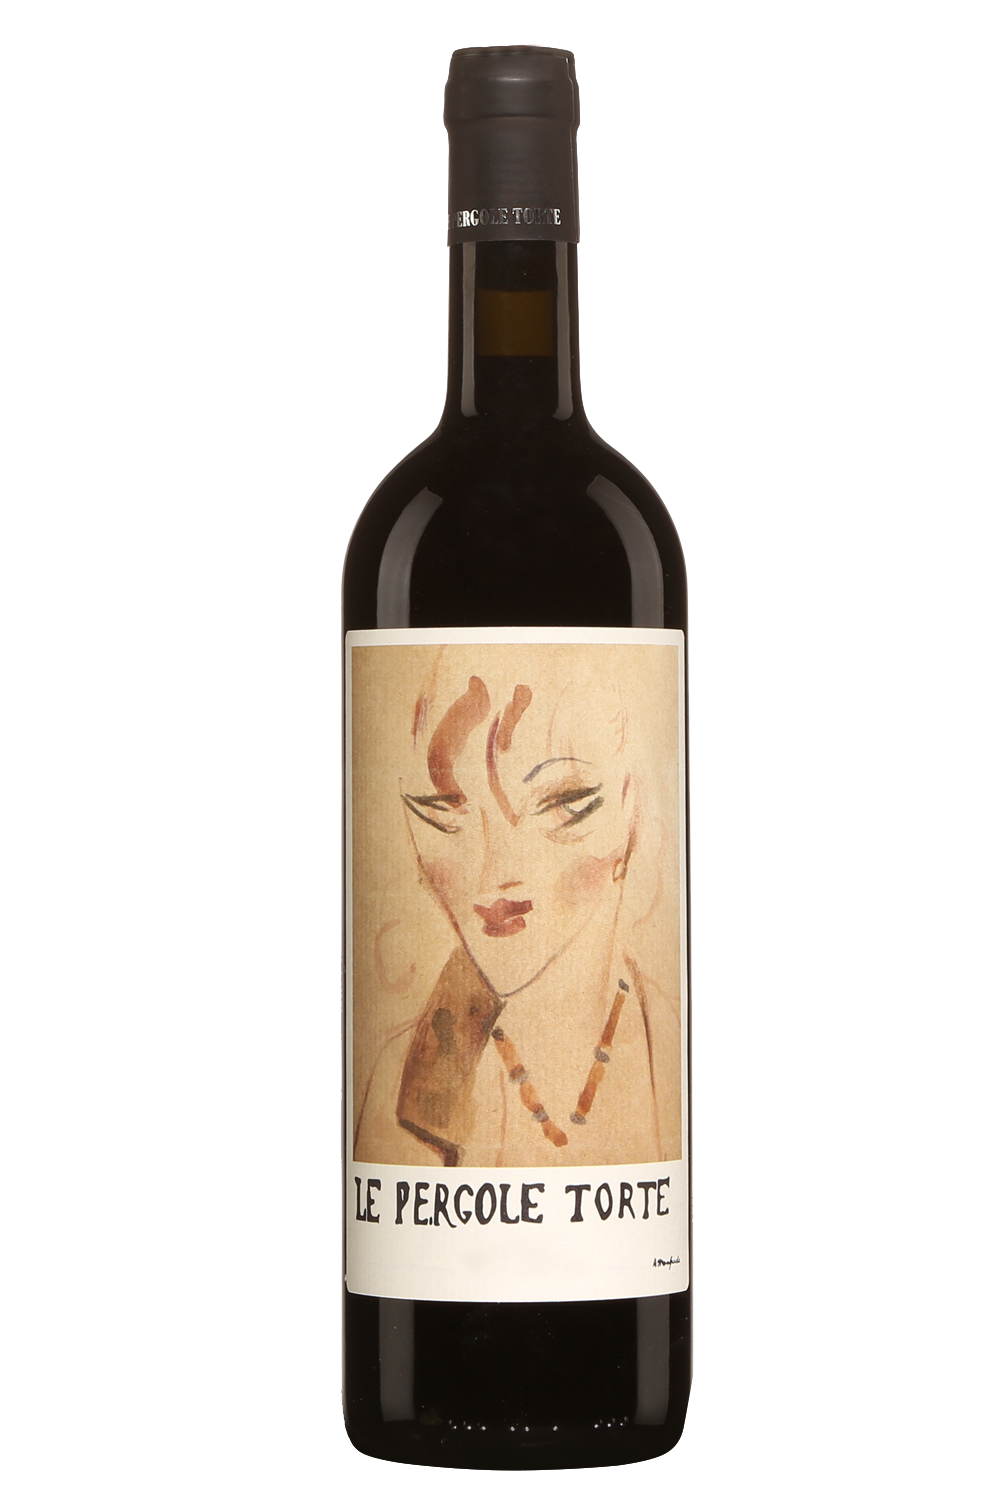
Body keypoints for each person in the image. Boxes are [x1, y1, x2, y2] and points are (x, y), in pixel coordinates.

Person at [352, 646, 681, 1169]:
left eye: (563, 803)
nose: (494, 878)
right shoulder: (395, 1083)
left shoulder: (675, 1035)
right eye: (443, 813)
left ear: (630, 802)